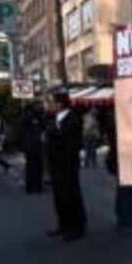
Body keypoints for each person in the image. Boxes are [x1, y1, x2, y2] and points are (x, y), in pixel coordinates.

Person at [45, 92, 87, 241]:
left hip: (68, 164)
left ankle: (77, 228)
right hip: (55, 164)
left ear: (61, 104)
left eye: (53, 102)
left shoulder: (73, 118)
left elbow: (71, 142)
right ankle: (63, 225)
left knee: (71, 195)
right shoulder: (53, 119)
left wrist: (56, 133)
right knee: (59, 196)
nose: (50, 105)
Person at [103, 110, 132, 233]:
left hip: (123, 159)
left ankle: (123, 219)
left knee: (124, 190)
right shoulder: (120, 123)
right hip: (125, 160)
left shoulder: (115, 119)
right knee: (128, 191)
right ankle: (129, 222)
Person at [19, 103, 45, 194]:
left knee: (30, 167)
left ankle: (30, 187)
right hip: (35, 144)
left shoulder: (24, 117)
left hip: (29, 145)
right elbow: (42, 128)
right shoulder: (35, 117)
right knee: (37, 167)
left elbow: (20, 132)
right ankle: (38, 187)